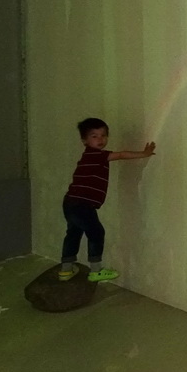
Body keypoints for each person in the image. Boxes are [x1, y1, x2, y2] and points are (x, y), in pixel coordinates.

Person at [58, 118, 156, 282]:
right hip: (82, 205)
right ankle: (96, 271)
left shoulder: (89, 156)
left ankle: (66, 269)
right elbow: (121, 154)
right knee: (96, 232)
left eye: (103, 135)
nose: (101, 139)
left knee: (73, 233)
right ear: (85, 140)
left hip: (70, 203)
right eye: (94, 136)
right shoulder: (96, 155)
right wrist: (144, 154)